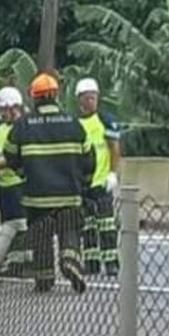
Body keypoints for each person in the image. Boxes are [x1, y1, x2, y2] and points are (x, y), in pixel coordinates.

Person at [2, 73, 95, 293]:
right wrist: (84, 184)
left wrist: (23, 174)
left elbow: (9, 155)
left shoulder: (23, 125)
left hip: (37, 196)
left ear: (34, 97)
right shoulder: (73, 124)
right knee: (69, 229)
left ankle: (44, 277)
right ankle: (70, 259)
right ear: (55, 95)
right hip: (69, 193)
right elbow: (89, 158)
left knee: (41, 234)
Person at [75, 78, 122, 277]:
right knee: (87, 226)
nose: (91, 102)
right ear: (80, 100)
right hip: (83, 184)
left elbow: (114, 148)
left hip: (102, 182)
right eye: (87, 98)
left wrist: (113, 173)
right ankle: (91, 262)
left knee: (107, 224)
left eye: (93, 98)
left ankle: (110, 262)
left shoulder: (106, 120)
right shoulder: (75, 124)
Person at [0, 86, 29, 276]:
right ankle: (14, 261)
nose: (1, 114)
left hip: (18, 183)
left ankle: (24, 262)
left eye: (3, 110)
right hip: (3, 184)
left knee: (21, 224)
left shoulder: (23, 128)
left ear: (13, 108)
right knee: (9, 221)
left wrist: (1, 165)